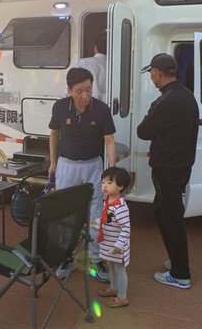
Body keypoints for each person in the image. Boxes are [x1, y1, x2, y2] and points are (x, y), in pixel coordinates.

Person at [137, 53, 199, 290]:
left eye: (151, 72)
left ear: (158, 73)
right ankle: (176, 260)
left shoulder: (166, 101)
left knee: (171, 219)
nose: (151, 76)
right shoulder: (186, 95)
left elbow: (143, 131)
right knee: (164, 212)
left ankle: (180, 273)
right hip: (181, 166)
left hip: (168, 169)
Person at [48, 67, 116, 282]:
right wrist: (53, 162)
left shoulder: (101, 109)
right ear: (69, 90)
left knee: (96, 213)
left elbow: (109, 140)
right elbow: (54, 134)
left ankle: (96, 258)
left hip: (93, 165)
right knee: (66, 212)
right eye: (79, 91)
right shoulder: (60, 107)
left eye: (88, 89)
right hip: (67, 166)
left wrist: (112, 169)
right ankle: (67, 256)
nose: (85, 95)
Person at [96, 167, 131, 308]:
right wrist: (96, 222)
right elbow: (106, 219)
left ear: (120, 186)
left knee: (119, 270)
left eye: (109, 183)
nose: (105, 186)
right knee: (111, 266)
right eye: (103, 182)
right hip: (109, 244)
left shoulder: (120, 207)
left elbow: (126, 228)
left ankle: (122, 297)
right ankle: (113, 288)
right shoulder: (108, 201)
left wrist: (119, 246)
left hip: (117, 247)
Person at [76, 31, 107, 101]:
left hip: (85, 104)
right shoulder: (116, 67)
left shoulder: (82, 63)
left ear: (95, 48)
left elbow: (70, 88)